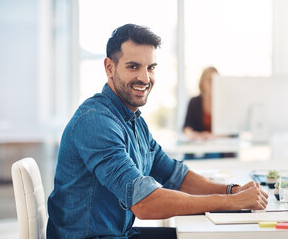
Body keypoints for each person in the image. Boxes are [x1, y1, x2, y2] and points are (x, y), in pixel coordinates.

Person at [47, 24, 268, 239]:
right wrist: (230, 203)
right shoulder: (96, 122)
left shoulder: (133, 121)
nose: (145, 78)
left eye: (150, 67)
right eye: (133, 66)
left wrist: (230, 191)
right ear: (109, 67)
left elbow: (175, 175)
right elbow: (145, 203)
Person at [183, 67, 218, 140]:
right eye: (210, 80)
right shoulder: (194, 102)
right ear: (202, 83)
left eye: (217, 80)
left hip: (220, 146)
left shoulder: (224, 103)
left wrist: (213, 136)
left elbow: (232, 132)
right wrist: (196, 135)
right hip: (199, 146)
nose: (214, 84)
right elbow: (187, 128)